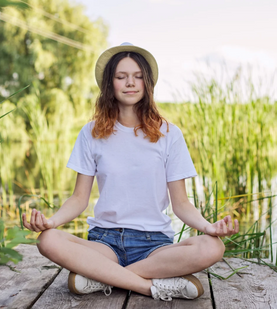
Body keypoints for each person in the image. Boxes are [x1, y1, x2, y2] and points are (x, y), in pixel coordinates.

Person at [22, 42, 239, 302]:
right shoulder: (90, 133)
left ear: (147, 83)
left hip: (155, 245)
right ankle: (153, 286)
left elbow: (180, 204)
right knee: (47, 241)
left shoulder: (170, 134)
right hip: (104, 242)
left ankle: (101, 277)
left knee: (213, 246)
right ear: (109, 84)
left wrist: (209, 226)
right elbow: (79, 199)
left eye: (137, 76)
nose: (130, 83)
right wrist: (51, 222)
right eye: (121, 77)